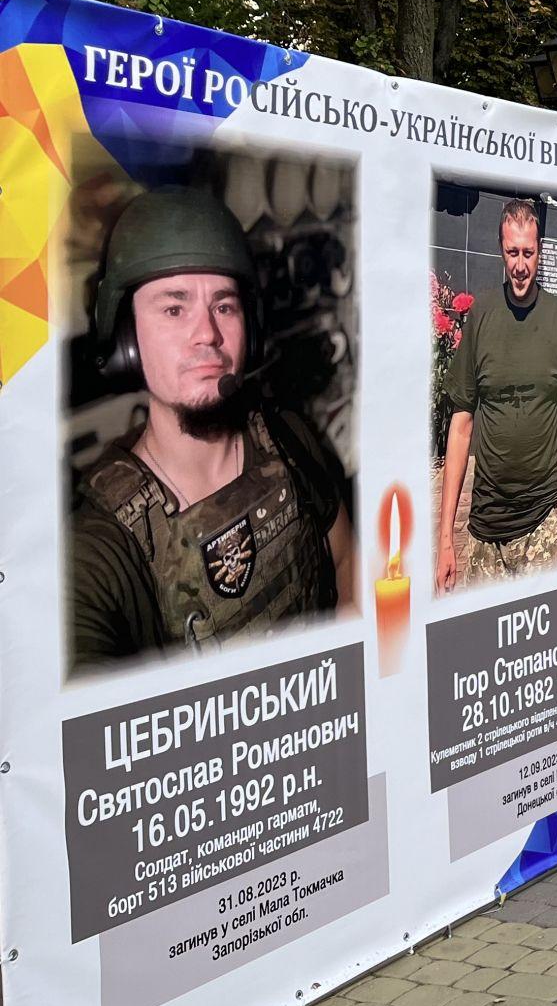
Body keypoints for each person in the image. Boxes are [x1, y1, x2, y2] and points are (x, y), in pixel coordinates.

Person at [71, 188, 356, 663]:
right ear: (126, 341)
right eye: (174, 309)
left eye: (224, 306)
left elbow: (347, 560)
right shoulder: (99, 553)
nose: (207, 333)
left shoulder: (289, 438)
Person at [438, 198, 557, 590]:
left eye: (528, 252)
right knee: (483, 629)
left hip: (543, 518)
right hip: (486, 523)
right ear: (501, 251)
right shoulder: (481, 316)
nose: (520, 265)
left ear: (539, 251)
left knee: (543, 627)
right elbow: (461, 426)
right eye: (512, 253)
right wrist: (445, 539)